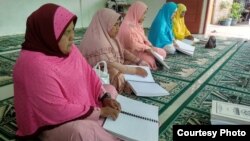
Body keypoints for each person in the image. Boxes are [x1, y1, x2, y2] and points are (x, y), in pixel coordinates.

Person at [13, 3, 122, 141]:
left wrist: (104, 98)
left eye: (72, 30)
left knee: (110, 90)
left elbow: (90, 75)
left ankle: (109, 130)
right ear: (48, 33)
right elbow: (55, 111)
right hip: (51, 123)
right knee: (82, 131)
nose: (72, 37)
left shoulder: (69, 50)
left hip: (80, 105)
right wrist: (99, 111)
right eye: (66, 32)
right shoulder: (32, 65)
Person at [79, 8, 148, 94]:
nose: (118, 28)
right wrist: (136, 71)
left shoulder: (110, 36)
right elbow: (114, 64)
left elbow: (123, 51)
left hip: (111, 64)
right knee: (115, 73)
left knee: (132, 63)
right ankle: (127, 87)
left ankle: (133, 83)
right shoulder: (99, 42)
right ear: (105, 23)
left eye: (119, 24)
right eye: (114, 25)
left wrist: (138, 61)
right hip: (97, 72)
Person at [118, 1, 167, 70]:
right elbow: (133, 45)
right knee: (150, 61)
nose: (145, 16)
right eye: (144, 13)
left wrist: (150, 46)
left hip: (143, 49)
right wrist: (146, 48)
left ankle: (154, 58)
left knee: (162, 52)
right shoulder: (126, 26)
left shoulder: (138, 24)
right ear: (137, 12)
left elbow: (144, 38)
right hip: (133, 51)